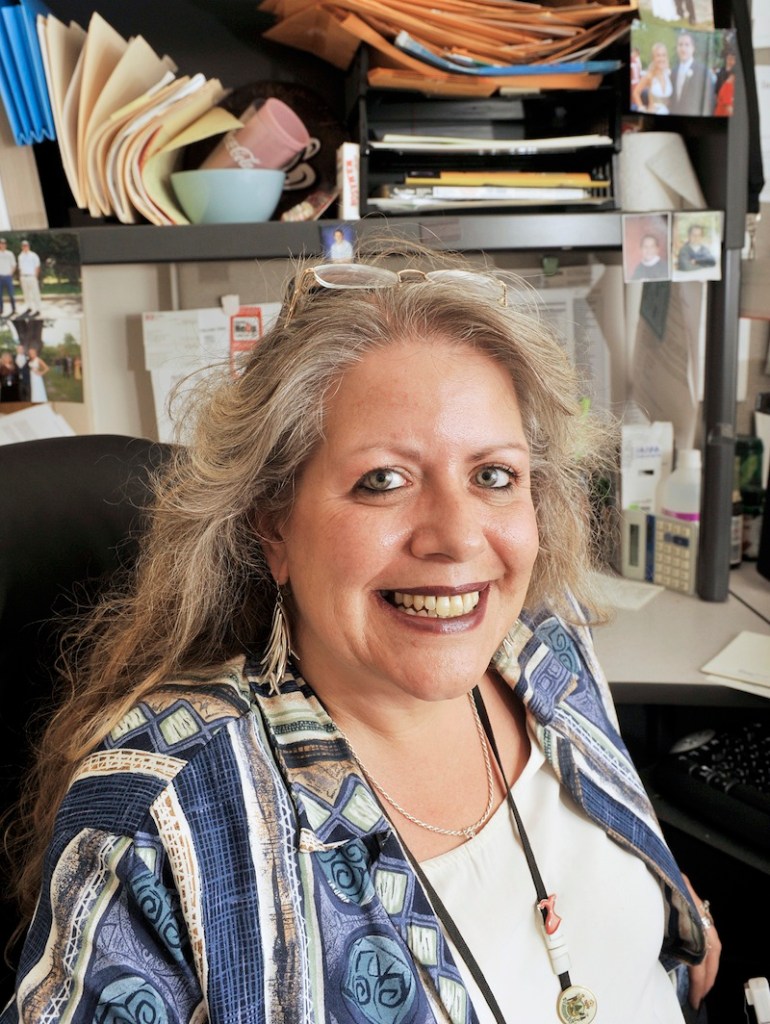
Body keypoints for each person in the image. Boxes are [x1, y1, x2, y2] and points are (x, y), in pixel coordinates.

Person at [1, 242, 719, 1024]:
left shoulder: (544, 649)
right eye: (384, 481)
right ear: (272, 523)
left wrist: (664, 926)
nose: (457, 536)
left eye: (494, 475)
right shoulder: (162, 812)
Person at [669, 31, 715, 116]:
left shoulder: (703, 72)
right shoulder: (673, 72)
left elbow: (708, 101)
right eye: (680, 44)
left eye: (687, 45)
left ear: (693, 48)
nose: (683, 48)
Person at [632, 42, 673, 114]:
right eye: (658, 55)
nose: (661, 58)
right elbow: (636, 92)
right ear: (653, 58)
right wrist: (642, 109)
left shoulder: (668, 75)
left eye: (663, 55)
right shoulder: (649, 76)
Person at [16, 241, 41, 317]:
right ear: (22, 247)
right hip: (24, 277)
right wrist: (20, 277)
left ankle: (38, 309)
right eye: (23, 246)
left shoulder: (33, 255)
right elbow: (20, 268)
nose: (25, 247)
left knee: (35, 294)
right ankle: (29, 307)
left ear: (28, 246)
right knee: (26, 294)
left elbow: (37, 267)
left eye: (26, 245)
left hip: (32, 277)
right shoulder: (20, 256)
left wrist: (35, 277)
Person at [713, 47, 736, 117]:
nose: (730, 61)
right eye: (728, 59)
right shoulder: (720, 74)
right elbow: (716, 93)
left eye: (732, 59)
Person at [0, 239, 17, 317]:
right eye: (1, 244)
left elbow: (14, 264)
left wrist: (11, 273)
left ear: (5, 245)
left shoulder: (10, 253)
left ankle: (14, 309)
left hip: (8, 277)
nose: (2, 245)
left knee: (11, 294)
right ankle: (1, 309)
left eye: (4, 243)